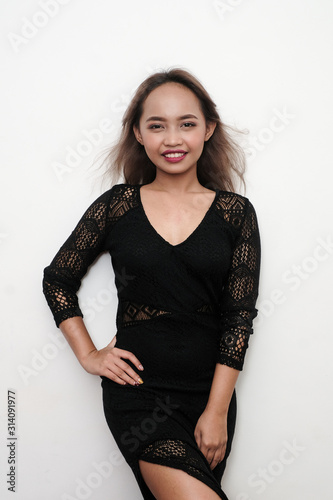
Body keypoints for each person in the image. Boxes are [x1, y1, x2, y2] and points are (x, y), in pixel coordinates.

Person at [43, 68, 260, 500]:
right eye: (156, 125)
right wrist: (88, 354)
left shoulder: (236, 214)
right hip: (138, 395)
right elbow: (57, 280)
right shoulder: (117, 206)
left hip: (208, 396)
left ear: (208, 129)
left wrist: (216, 411)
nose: (172, 138)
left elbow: (238, 320)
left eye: (187, 123)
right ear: (139, 135)